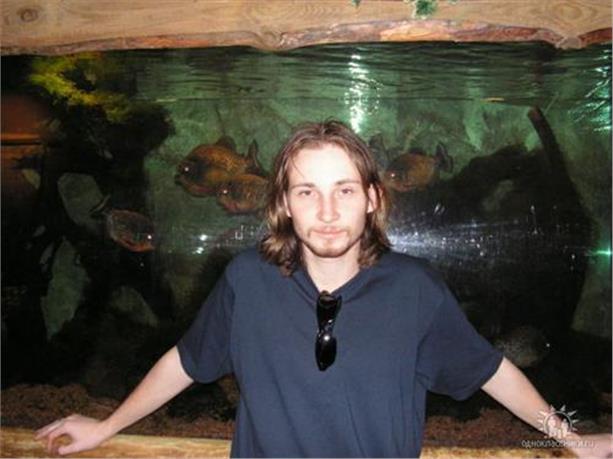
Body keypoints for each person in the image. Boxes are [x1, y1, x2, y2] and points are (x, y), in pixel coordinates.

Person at [37, 120, 612, 458]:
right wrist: (107, 426)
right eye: (307, 192)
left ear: (373, 199)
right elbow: (187, 361)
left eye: (344, 190)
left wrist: (574, 441)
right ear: (284, 204)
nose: (328, 211)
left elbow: (489, 370)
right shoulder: (247, 280)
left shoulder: (414, 289)